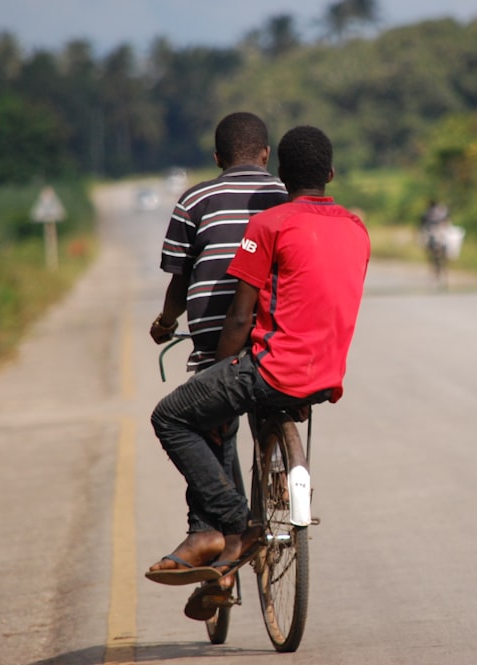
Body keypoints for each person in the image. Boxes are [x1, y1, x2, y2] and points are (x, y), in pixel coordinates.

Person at [145, 125, 371, 614]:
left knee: (171, 416)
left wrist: (218, 373)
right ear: (331, 173)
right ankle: (231, 537)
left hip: (270, 368)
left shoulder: (268, 224)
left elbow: (240, 316)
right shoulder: (357, 228)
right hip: (326, 375)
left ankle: (235, 523)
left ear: (281, 175)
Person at [148, 111, 288, 566]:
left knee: (210, 429)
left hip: (215, 343)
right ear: (265, 155)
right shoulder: (288, 198)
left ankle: (224, 531)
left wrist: (166, 322)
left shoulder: (195, 200)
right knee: (260, 421)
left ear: (217, 158)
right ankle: (274, 492)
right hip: (274, 340)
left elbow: (179, 281)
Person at [420, 199, 451, 287]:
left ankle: (437, 277)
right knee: (440, 260)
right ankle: (441, 278)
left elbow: (423, 227)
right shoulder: (442, 214)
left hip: (435, 238)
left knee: (434, 260)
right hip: (439, 238)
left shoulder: (427, 214)